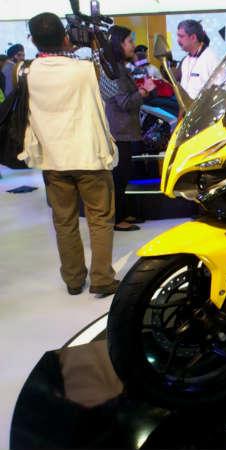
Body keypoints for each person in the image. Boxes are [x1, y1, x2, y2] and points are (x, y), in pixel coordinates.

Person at [19, 12, 119, 296]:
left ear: (33, 40)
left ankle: (74, 280)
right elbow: (111, 90)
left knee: (64, 221)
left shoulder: (26, 72)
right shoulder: (85, 69)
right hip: (90, 156)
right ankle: (102, 278)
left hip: (53, 159)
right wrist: (96, 47)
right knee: (100, 218)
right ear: (65, 36)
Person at [103, 25, 156, 231]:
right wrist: (143, 91)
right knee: (119, 176)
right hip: (119, 131)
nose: (133, 45)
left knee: (124, 174)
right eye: (129, 41)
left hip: (124, 130)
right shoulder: (114, 71)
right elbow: (124, 102)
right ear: (118, 44)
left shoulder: (119, 67)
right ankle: (117, 219)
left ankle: (123, 213)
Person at [176, 19, 219, 99]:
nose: (178, 40)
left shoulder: (211, 59)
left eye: (181, 36)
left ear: (193, 38)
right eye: (178, 36)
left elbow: (219, 90)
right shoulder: (185, 61)